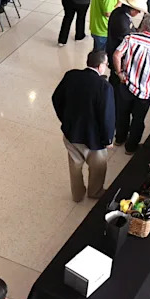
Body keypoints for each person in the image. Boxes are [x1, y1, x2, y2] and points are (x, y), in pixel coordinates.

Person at [52, 50, 115, 204]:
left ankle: (77, 194)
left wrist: (65, 120)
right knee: (98, 167)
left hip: (71, 134)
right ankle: (95, 191)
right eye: (106, 65)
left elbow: (56, 98)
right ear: (101, 66)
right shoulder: (104, 87)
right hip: (94, 139)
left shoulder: (70, 75)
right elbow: (107, 116)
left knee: (75, 166)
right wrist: (108, 139)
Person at [112, 13, 150, 153]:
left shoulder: (131, 38)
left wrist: (120, 73)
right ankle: (131, 147)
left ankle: (119, 138)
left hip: (126, 84)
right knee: (139, 120)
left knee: (122, 113)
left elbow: (116, 54)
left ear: (144, 25)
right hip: (145, 91)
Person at [106, 0, 147, 84]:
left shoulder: (119, 12)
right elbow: (128, 39)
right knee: (116, 78)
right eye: (138, 11)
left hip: (112, 48)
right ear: (132, 9)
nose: (138, 13)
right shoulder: (122, 21)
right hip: (117, 55)